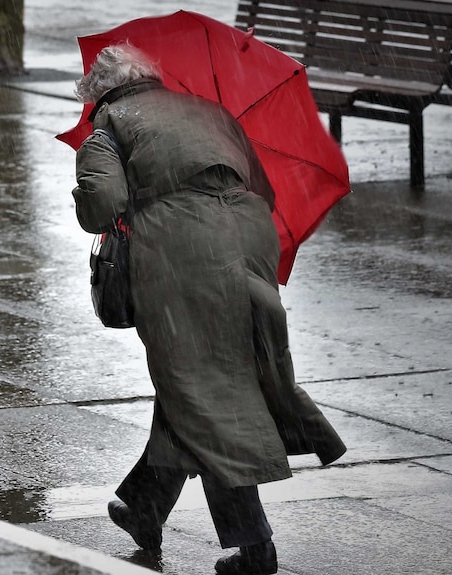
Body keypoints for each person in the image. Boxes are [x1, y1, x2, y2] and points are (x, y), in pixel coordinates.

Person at [70, 44, 347, 575]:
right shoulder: (206, 109)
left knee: (205, 389)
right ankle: (145, 510)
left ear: (99, 92)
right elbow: (262, 187)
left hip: (184, 253)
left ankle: (254, 545)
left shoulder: (108, 126)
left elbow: (101, 206)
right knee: (200, 376)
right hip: (246, 239)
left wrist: (92, 200)